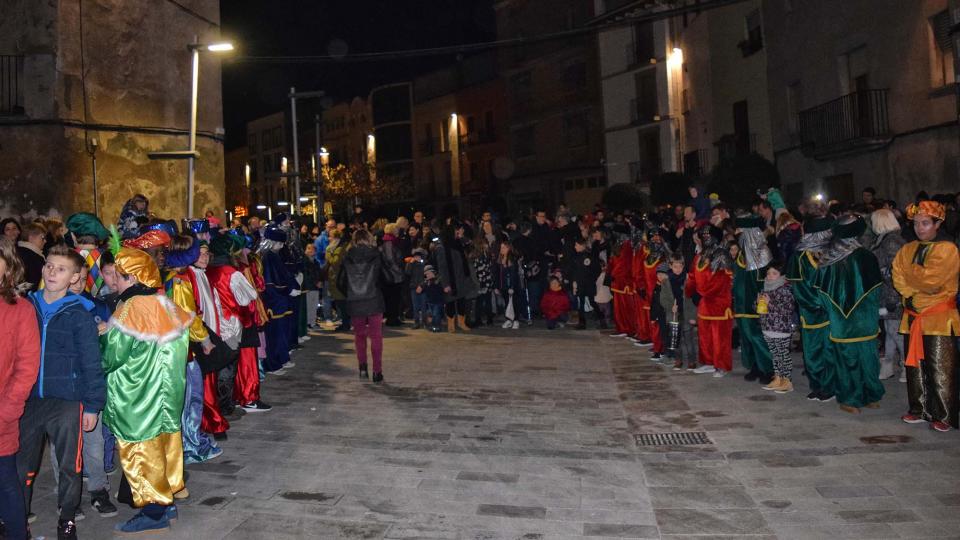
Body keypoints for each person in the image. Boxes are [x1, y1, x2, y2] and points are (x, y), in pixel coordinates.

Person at [100, 246, 191, 534]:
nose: (114, 281)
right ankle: (167, 502)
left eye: (119, 276)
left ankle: (154, 512)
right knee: (166, 447)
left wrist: (101, 335)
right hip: (168, 397)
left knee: (142, 453)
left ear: (132, 277)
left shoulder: (129, 309)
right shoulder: (166, 304)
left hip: (138, 397)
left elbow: (110, 358)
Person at [19, 246, 105, 540]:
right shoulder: (25, 306)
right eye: (49, 266)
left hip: (67, 400)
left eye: (61, 269)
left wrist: (92, 405)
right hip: (28, 399)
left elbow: (91, 361)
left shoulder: (79, 313)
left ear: (75, 277)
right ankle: (18, 518)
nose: (52, 272)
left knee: (70, 465)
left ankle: (67, 517)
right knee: (21, 465)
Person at [893, 200, 960, 431]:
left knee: (940, 367)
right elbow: (897, 274)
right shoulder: (907, 249)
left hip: (938, 318)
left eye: (925, 223)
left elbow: (933, 281)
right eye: (916, 224)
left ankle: (945, 414)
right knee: (915, 366)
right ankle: (919, 408)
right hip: (912, 316)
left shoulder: (948, 249)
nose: (920, 228)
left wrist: (913, 288)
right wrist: (911, 291)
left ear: (938, 224)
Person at [814, 215, 885, 415]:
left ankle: (851, 397)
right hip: (865, 316)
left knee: (848, 359)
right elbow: (877, 287)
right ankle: (870, 394)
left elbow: (820, 292)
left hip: (841, 320)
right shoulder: (867, 255)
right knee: (867, 355)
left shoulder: (828, 259)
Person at [161, 235, 223, 465]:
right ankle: (191, 446)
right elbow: (188, 316)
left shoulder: (167, 275)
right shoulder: (179, 280)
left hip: (170, 348)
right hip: (181, 350)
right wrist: (205, 340)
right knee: (191, 399)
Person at [0, 243, 41, 540]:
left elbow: (27, 366)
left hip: (1, 416)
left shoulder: (20, 310)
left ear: (8, 267)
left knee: (6, 483)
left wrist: (7, 410)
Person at [786, 214, 838, 402]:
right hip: (811, 312)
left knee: (830, 350)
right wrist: (817, 303)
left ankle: (830, 387)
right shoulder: (800, 258)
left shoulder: (834, 254)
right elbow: (798, 287)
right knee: (812, 351)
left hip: (831, 312)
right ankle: (817, 385)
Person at [732, 216, 774, 384]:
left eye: (739, 231)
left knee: (758, 337)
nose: (736, 233)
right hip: (742, 305)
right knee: (747, 338)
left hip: (755, 305)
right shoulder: (743, 254)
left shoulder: (760, 255)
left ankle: (768, 369)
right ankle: (755, 366)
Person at [869, 208, 907, 381]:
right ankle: (888, 365)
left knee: (895, 331)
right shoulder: (885, 238)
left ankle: (908, 367)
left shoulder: (891, 240)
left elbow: (895, 270)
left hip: (893, 293)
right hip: (886, 292)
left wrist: (879, 274)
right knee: (889, 330)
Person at [690, 228, 734, 376]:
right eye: (704, 235)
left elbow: (723, 280)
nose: (706, 238)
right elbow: (692, 276)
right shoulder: (700, 256)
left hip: (719, 303)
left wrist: (703, 291)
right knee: (705, 336)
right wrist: (691, 292)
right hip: (704, 303)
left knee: (719, 338)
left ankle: (721, 365)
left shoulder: (722, 254)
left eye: (709, 235)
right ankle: (708, 362)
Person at [344, 229, 385, 383]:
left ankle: (362, 367)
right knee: (376, 336)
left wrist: (350, 293)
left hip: (355, 300)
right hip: (374, 298)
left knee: (359, 335)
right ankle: (377, 371)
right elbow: (384, 276)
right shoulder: (376, 254)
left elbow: (342, 280)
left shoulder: (347, 256)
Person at [259, 226, 300, 372]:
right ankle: (273, 364)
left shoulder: (274, 255)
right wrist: (288, 290)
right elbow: (271, 281)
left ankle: (282, 358)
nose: (282, 246)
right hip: (274, 301)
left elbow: (283, 275)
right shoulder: (268, 257)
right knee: (274, 334)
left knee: (282, 332)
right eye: (280, 243)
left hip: (281, 299)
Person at [758, 262, 796, 393]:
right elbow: (759, 308)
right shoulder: (765, 288)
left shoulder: (785, 289)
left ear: (781, 275)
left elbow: (787, 309)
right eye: (768, 273)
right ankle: (778, 377)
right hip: (767, 327)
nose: (770, 276)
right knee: (775, 354)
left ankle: (787, 381)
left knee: (783, 354)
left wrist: (770, 303)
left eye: (774, 273)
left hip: (781, 328)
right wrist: (757, 303)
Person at [435, 223, 477, 333]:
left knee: (461, 300)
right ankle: (451, 324)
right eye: (456, 230)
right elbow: (442, 266)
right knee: (450, 302)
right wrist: (445, 284)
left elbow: (470, 243)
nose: (457, 232)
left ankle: (461, 322)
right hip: (451, 279)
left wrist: (462, 236)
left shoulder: (458, 243)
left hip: (461, 278)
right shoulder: (442, 246)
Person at [668, 254, 698, 371]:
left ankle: (691, 360)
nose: (678, 269)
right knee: (676, 340)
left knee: (689, 340)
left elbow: (693, 300)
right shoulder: (667, 281)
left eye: (680, 266)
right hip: (674, 314)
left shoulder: (688, 280)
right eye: (675, 266)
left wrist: (692, 316)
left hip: (686, 315)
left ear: (683, 266)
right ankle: (678, 360)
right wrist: (670, 307)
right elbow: (663, 299)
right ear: (671, 266)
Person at [571, 238, 602, 329]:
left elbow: (597, 269)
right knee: (581, 303)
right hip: (580, 284)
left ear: (582, 246)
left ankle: (601, 319)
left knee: (592, 302)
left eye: (577, 245)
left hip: (588, 283)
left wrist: (592, 279)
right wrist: (574, 281)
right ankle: (582, 323)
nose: (575, 247)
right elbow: (575, 271)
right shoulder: (576, 257)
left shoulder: (590, 256)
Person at [494, 240, 525, 330]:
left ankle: (515, 320)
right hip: (503, 285)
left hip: (511, 285)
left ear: (509, 248)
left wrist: (512, 286)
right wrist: (496, 286)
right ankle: (508, 319)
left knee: (514, 302)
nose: (501, 249)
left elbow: (513, 274)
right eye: (501, 248)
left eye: (504, 247)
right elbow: (496, 274)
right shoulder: (499, 259)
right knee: (507, 303)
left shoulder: (512, 260)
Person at [380, 223, 406, 327]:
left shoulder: (391, 241)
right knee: (393, 298)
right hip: (392, 275)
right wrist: (399, 270)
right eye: (396, 229)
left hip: (392, 274)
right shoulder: (389, 242)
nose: (398, 230)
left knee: (394, 297)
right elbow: (390, 259)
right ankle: (392, 319)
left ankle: (394, 317)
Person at [326, 229, 350, 332]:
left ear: (336, 238)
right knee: (340, 303)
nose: (329, 238)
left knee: (341, 303)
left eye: (330, 236)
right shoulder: (338, 247)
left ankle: (345, 324)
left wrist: (328, 254)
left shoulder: (339, 248)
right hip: (335, 279)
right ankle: (345, 323)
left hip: (338, 279)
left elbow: (335, 262)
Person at [651, 263, 673, 363]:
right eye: (658, 274)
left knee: (668, 335)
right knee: (662, 335)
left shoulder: (669, 286)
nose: (660, 276)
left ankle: (668, 353)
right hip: (659, 315)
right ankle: (662, 351)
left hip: (667, 315)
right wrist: (652, 316)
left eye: (662, 274)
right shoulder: (657, 285)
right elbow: (654, 302)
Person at [16, 222, 46, 292]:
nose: (45, 241)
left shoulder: (20, 251)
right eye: (42, 237)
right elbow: (29, 283)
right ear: (31, 237)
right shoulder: (31, 257)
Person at [406, 247, 428, 329]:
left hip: (423, 288)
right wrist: (410, 263)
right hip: (413, 287)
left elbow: (427, 277)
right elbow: (407, 273)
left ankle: (425, 322)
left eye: (418, 256)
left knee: (423, 306)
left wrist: (422, 286)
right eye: (415, 256)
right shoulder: (412, 264)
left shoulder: (425, 264)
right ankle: (416, 322)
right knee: (415, 306)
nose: (416, 258)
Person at [420, 265, 445, 332]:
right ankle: (433, 326)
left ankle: (437, 326)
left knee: (436, 314)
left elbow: (443, 288)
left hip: (438, 301)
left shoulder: (438, 280)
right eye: (426, 274)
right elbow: (418, 290)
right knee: (431, 314)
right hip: (430, 302)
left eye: (429, 273)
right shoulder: (426, 282)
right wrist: (425, 282)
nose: (428, 275)